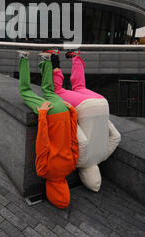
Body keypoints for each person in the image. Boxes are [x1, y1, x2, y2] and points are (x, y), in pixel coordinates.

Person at [51, 50, 121, 192]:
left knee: (80, 87)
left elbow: (117, 136)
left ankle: (75, 56)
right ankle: (54, 59)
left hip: (102, 104)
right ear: (84, 176)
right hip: (87, 107)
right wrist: (73, 119)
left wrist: (104, 121)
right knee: (57, 91)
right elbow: (81, 141)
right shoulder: (80, 162)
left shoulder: (104, 156)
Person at [18, 51, 78, 209]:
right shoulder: (44, 172)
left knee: (49, 91)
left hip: (64, 112)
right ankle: (23, 58)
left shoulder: (71, 166)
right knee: (25, 91)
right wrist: (43, 115)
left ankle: (46, 60)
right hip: (51, 114)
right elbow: (42, 142)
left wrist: (72, 113)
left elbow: (74, 139)